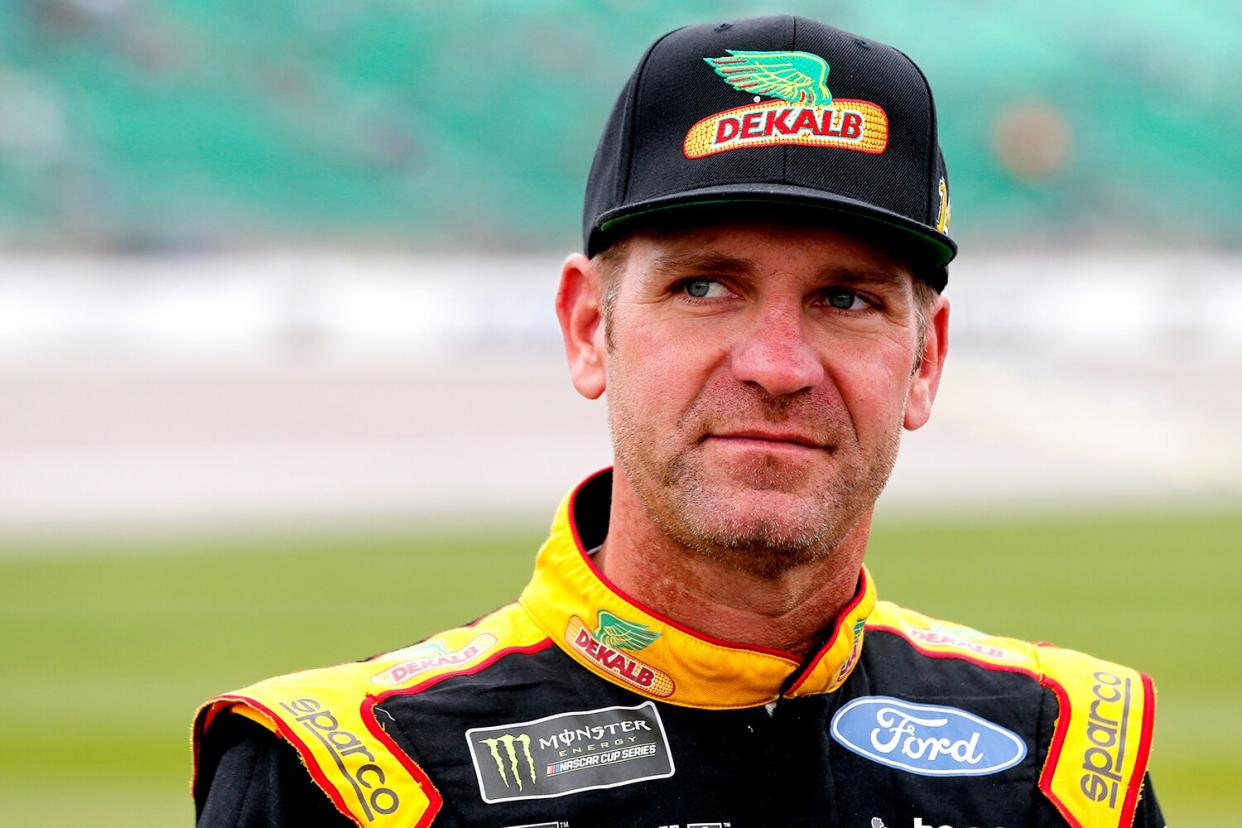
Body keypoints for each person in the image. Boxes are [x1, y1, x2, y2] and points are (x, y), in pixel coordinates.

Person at [193, 15, 1162, 827]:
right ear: (587, 329)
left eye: (848, 300)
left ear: (927, 361)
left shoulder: (1063, 767)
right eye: (705, 286)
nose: (777, 368)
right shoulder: (342, 779)